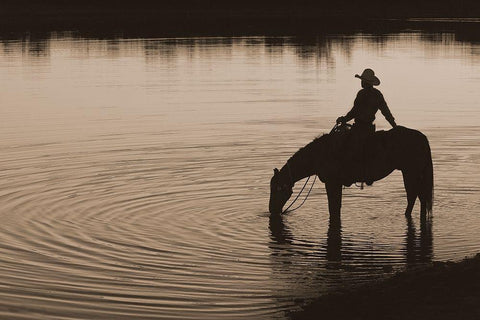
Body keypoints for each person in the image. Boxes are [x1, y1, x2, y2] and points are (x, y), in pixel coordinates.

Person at [336, 68, 397, 186]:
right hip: (369, 129)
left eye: (362, 80)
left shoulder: (362, 94)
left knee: (347, 147)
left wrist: (344, 119)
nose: (361, 82)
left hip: (359, 128)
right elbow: (386, 113)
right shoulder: (377, 95)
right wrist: (394, 126)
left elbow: (354, 112)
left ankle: (349, 174)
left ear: (366, 82)